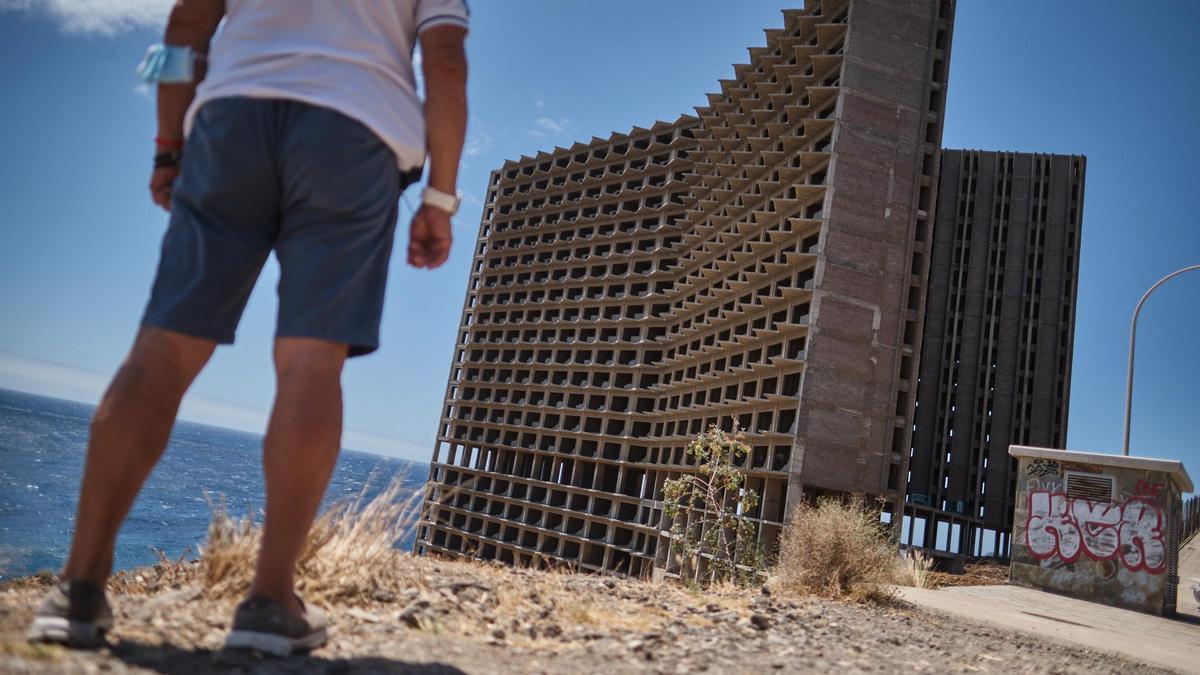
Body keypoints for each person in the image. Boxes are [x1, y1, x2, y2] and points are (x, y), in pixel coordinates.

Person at [26, 0, 469, 656]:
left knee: (162, 349)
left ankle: (79, 587)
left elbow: (184, 30)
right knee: (311, 363)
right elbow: (446, 66)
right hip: (356, 135)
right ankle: (268, 602)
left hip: (231, 120)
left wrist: (167, 146)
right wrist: (440, 197)